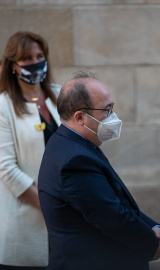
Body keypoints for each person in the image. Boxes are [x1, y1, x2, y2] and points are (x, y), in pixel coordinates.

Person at [38, 70, 160, 270]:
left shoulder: (72, 143)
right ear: (80, 117)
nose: (113, 116)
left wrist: (153, 227)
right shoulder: (75, 160)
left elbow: (117, 202)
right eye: (106, 110)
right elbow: (111, 216)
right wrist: (151, 244)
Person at [0, 31, 61, 269]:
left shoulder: (61, 94)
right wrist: (51, 207)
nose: (36, 63)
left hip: (67, 223)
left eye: (39, 55)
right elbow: (6, 169)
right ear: (13, 65)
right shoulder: (3, 106)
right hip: (25, 222)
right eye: (27, 58)